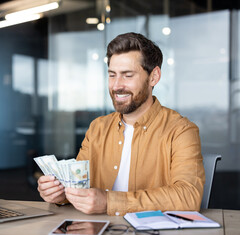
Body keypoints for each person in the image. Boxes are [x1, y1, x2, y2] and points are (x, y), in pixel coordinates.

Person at [37, 32, 205, 216]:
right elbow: (79, 186)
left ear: (154, 77)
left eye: (127, 75)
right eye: (112, 75)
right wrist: (60, 193)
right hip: (97, 230)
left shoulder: (181, 131)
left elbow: (189, 196)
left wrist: (110, 202)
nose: (117, 85)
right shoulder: (97, 128)